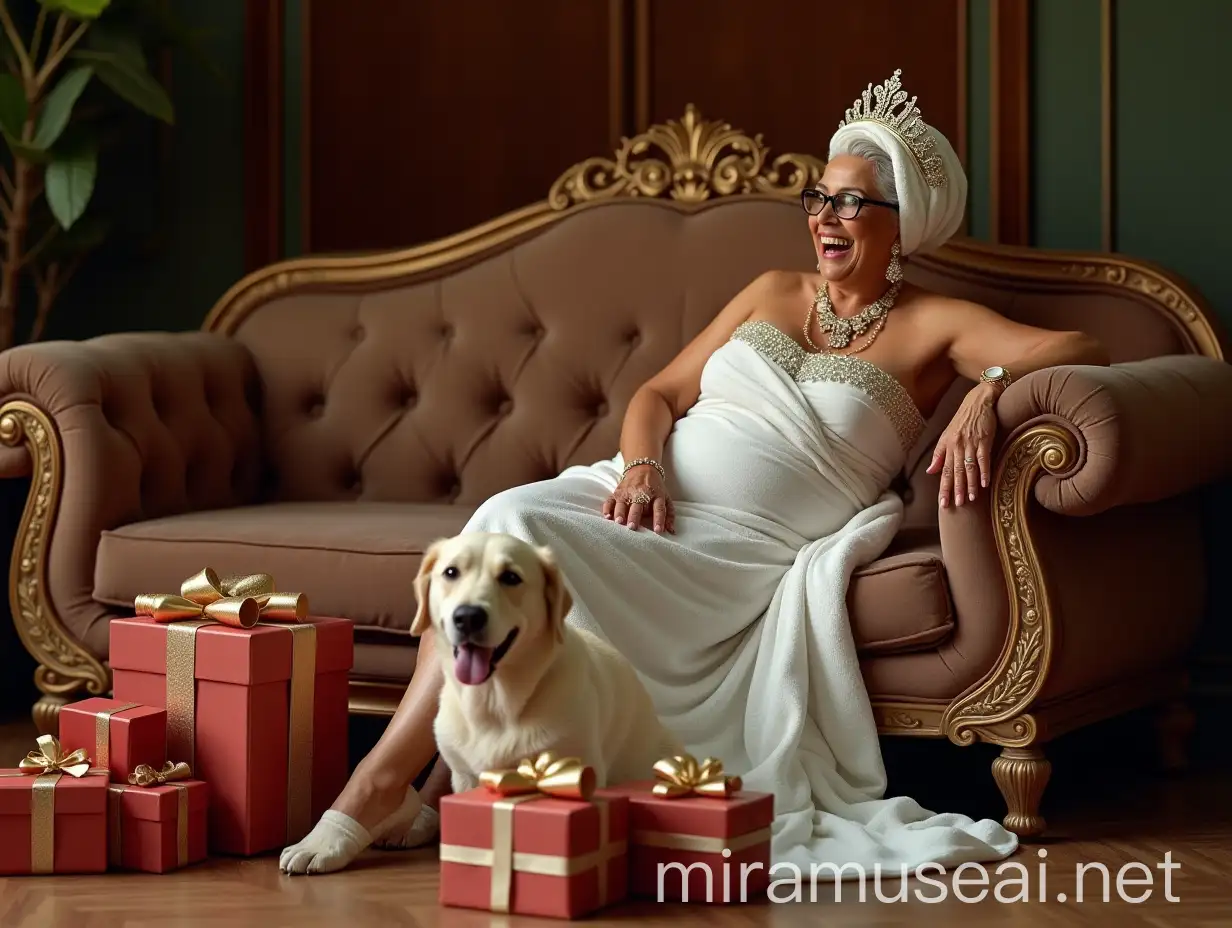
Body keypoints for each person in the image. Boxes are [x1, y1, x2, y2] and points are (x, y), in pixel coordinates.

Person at [280, 70, 1109, 880]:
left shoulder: (936, 326)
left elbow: (1077, 351)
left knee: (514, 541)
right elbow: (659, 393)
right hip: (643, 495)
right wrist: (643, 467)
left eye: (852, 202)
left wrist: (989, 396)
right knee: (499, 523)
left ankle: (378, 785)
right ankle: (428, 788)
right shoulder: (771, 291)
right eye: (818, 198)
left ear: (904, 222)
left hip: (733, 553)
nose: (826, 216)